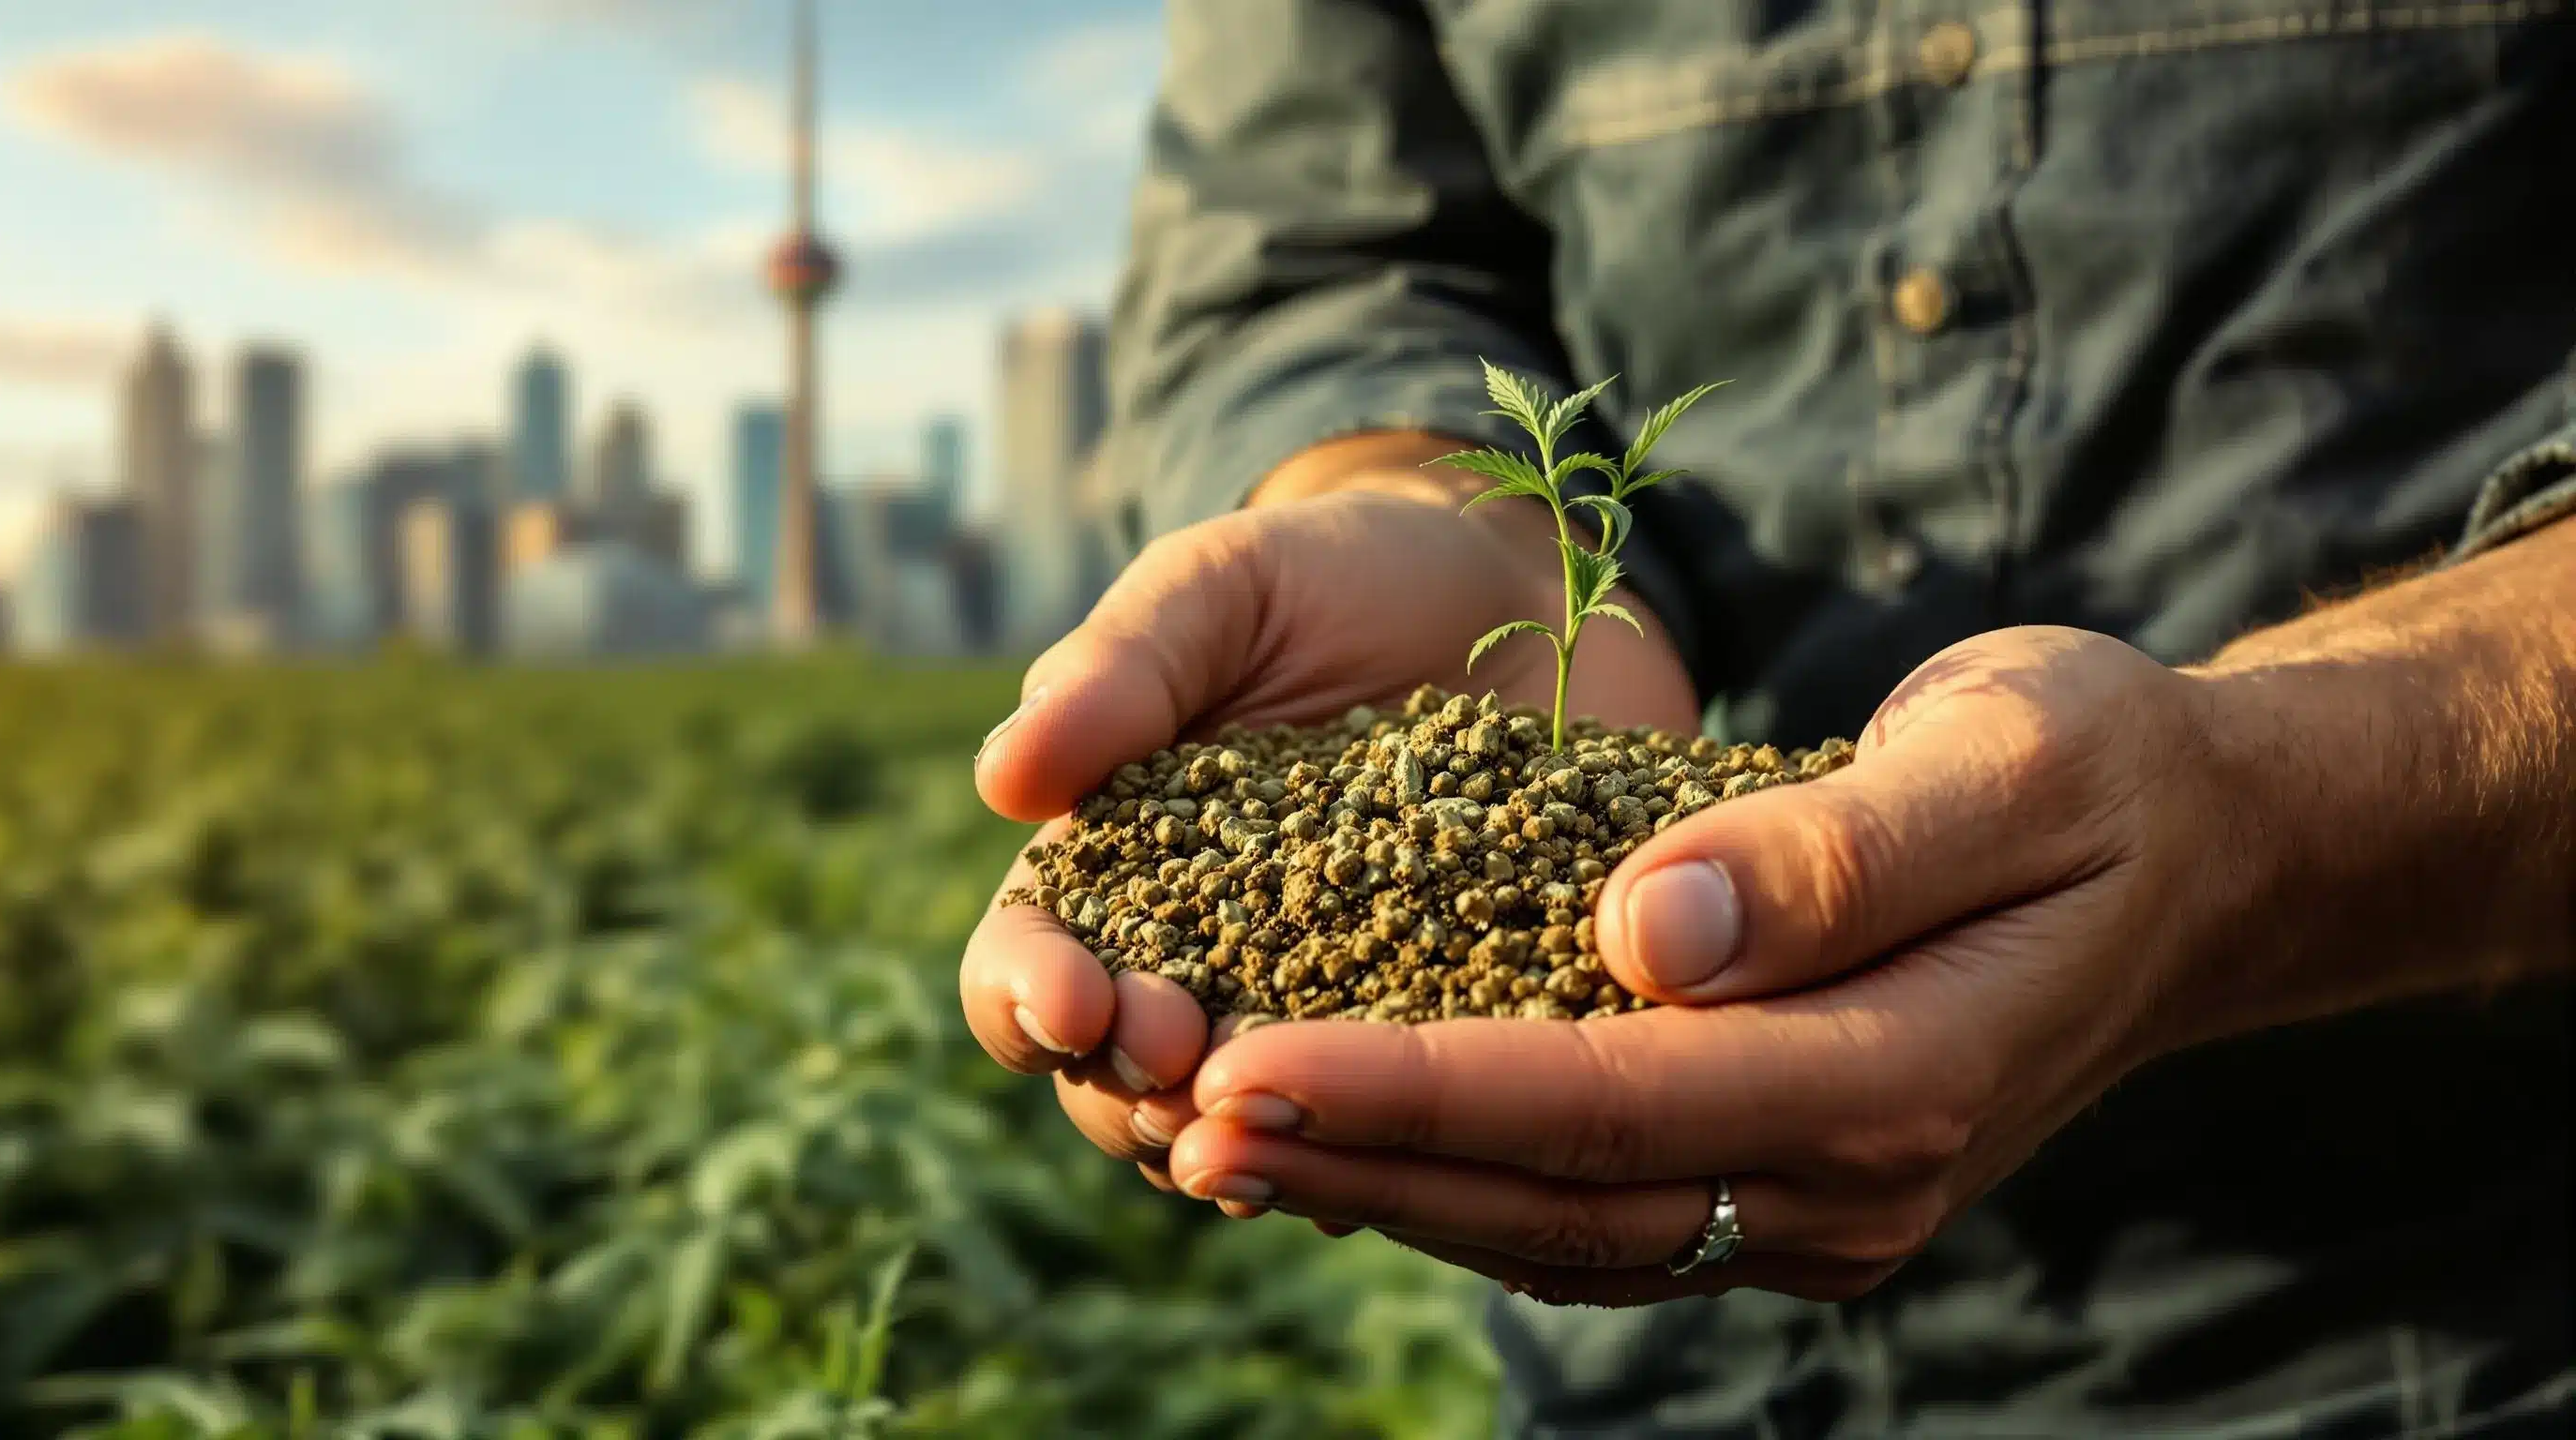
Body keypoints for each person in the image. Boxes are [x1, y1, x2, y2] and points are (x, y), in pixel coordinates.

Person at [968, 3, 2576, 1434]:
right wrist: (1412, 498)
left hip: (2439, 1330)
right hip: (1664, 1385)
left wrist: (2275, 810)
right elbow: (1307, 259)